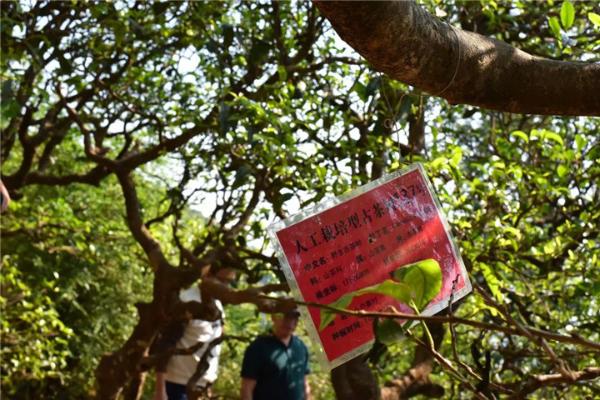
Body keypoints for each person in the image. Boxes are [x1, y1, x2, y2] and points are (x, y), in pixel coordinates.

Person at [152, 266, 236, 400]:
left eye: (229, 282)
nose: (225, 286)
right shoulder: (187, 302)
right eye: (221, 281)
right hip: (177, 385)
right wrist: (160, 390)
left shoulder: (217, 304)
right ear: (206, 275)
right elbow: (165, 343)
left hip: (201, 386)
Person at [240, 309, 311, 400]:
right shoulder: (258, 347)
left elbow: (304, 383)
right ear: (273, 317)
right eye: (285, 317)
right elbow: (247, 388)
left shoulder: (300, 347)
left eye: (294, 318)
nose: (290, 322)